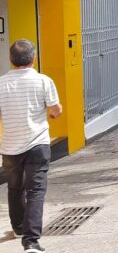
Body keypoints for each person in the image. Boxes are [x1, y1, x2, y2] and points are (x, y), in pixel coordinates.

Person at [0, 40, 63, 253]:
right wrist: (54, 111)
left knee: (14, 188)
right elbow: (55, 111)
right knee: (35, 191)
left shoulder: (1, 84)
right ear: (33, 58)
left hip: (10, 146)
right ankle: (31, 242)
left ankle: (18, 228)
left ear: (11, 60)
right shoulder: (43, 81)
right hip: (38, 144)